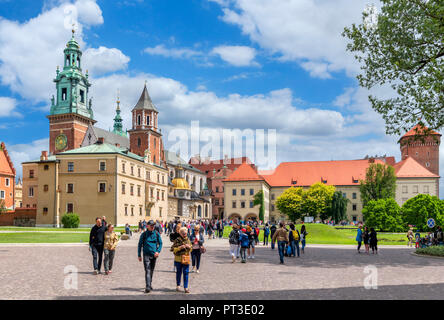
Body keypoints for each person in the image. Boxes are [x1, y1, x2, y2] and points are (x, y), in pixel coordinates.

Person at [138, 220, 162, 293]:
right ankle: (147, 286)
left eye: (153, 225)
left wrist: (158, 251)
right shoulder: (144, 234)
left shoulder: (157, 234)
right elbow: (139, 245)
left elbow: (160, 243)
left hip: (154, 255)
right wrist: (139, 255)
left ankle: (149, 284)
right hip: (146, 255)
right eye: (151, 225)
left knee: (151, 270)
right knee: (147, 270)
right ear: (147, 226)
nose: (152, 227)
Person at [171, 227, 192, 293]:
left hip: (186, 259)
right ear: (180, 233)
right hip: (178, 259)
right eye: (183, 233)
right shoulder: (177, 240)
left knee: (186, 273)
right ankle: (178, 286)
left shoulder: (188, 240)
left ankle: (186, 287)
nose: (185, 234)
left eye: (185, 233)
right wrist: (180, 248)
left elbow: (191, 249)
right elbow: (173, 249)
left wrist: (189, 247)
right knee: (179, 273)